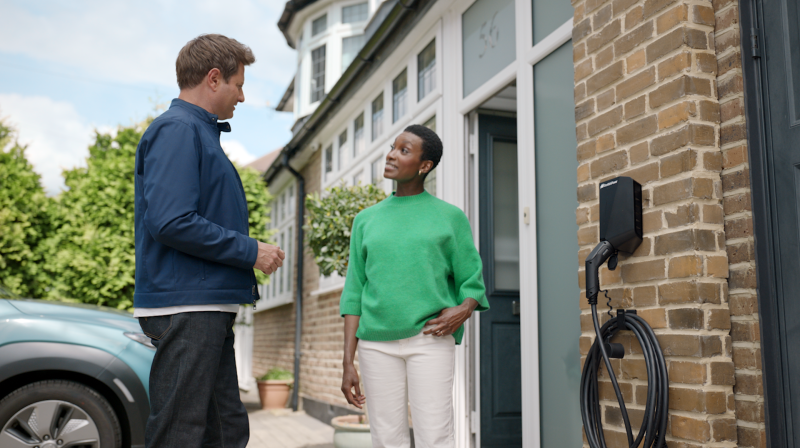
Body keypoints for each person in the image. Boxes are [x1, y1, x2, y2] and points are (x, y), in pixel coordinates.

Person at [133, 34, 284, 448]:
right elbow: (171, 220)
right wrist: (251, 250)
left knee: (226, 431)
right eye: (238, 83)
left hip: (204, 306)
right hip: (188, 307)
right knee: (180, 432)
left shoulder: (197, 132)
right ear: (214, 79)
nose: (242, 95)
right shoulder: (178, 130)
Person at [339, 125, 489, 448]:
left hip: (429, 340)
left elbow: (472, 281)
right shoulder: (365, 220)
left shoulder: (450, 217)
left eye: (404, 151)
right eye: (393, 147)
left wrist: (462, 311)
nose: (392, 154)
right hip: (375, 345)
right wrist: (347, 361)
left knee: (435, 436)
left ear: (425, 166)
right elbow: (354, 293)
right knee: (386, 439)